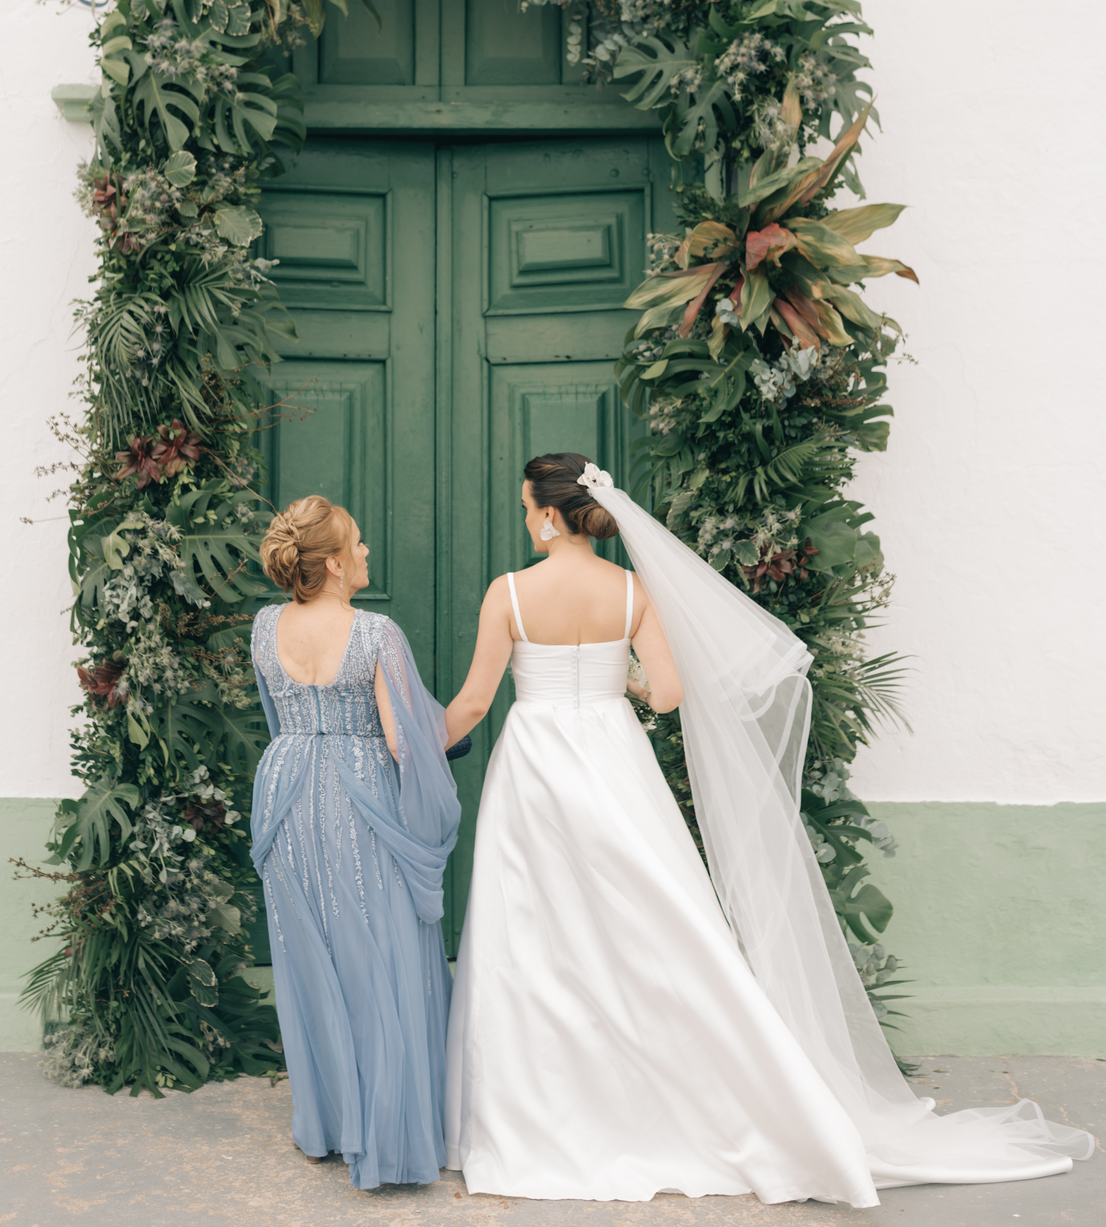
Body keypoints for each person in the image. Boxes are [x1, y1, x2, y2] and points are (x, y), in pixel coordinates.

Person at [443, 452, 1093, 1204]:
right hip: (612, 761)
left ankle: (538, 1110)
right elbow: (671, 693)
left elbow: (471, 702)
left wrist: (420, 745)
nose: (527, 518)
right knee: (654, 924)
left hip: (536, 768)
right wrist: (610, 677)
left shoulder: (511, 594)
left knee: (533, 929)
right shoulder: (630, 589)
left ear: (551, 516)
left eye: (529, 507)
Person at [251, 496, 459, 1189]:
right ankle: (388, 1127)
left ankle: (328, 1123)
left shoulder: (263, 627)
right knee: (380, 953)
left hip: (284, 792)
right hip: (357, 795)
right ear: (335, 563)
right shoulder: (376, 633)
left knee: (312, 954)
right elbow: (404, 740)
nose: (368, 554)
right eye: (360, 545)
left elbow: (277, 712)